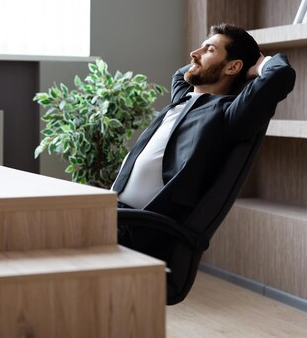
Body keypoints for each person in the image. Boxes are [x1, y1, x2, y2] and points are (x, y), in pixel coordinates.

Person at [112, 23, 295, 240]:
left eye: (209, 50)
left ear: (233, 67)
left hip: (140, 228)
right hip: (112, 212)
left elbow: (280, 73)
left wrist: (260, 65)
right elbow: (182, 74)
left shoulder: (227, 114)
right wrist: (207, 54)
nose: (194, 54)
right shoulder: (183, 98)